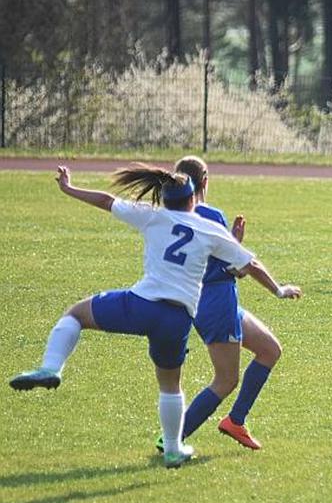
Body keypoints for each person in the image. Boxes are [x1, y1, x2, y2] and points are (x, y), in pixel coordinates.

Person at [9, 164, 301, 469]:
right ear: (193, 199)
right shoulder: (209, 226)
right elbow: (249, 264)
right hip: (177, 319)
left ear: (164, 199)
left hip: (141, 304)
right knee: (171, 386)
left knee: (76, 314)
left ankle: (50, 367)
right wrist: (278, 290)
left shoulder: (153, 215)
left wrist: (69, 188)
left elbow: (106, 200)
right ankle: (174, 449)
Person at [154, 155, 282, 451]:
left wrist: (232, 245)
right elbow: (239, 267)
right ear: (206, 181)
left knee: (269, 349)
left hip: (203, 299)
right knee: (225, 380)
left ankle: (235, 421)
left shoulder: (170, 218)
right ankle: (172, 437)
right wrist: (276, 287)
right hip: (218, 301)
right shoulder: (211, 215)